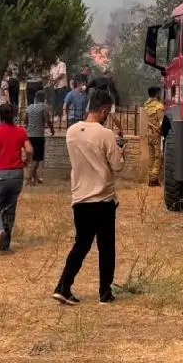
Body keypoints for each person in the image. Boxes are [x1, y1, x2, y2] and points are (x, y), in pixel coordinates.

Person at [53, 89, 125, 306]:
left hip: (80, 198)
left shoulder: (72, 132)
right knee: (106, 247)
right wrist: (121, 149)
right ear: (103, 110)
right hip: (102, 199)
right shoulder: (106, 135)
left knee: (81, 245)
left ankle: (64, 286)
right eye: (107, 112)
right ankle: (104, 292)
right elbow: (117, 166)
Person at [0, 103, 29, 251]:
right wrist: (26, 161)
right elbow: (29, 149)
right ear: (13, 115)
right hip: (17, 174)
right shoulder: (21, 131)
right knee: (10, 209)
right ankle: (4, 245)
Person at [25, 91, 55, 185]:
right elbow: (47, 120)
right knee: (36, 159)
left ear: (35, 98)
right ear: (43, 98)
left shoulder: (29, 107)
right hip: (38, 135)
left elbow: (26, 120)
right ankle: (28, 179)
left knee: (32, 157)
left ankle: (36, 178)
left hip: (29, 135)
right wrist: (52, 130)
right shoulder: (44, 107)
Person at [144, 87, 166, 187]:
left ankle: (151, 177)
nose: (161, 95)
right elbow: (161, 122)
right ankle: (153, 178)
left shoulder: (146, 105)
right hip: (156, 134)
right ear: (156, 93)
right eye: (159, 93)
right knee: (159, 156)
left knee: (151, 156)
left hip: (148, 133)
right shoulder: (159, 106)